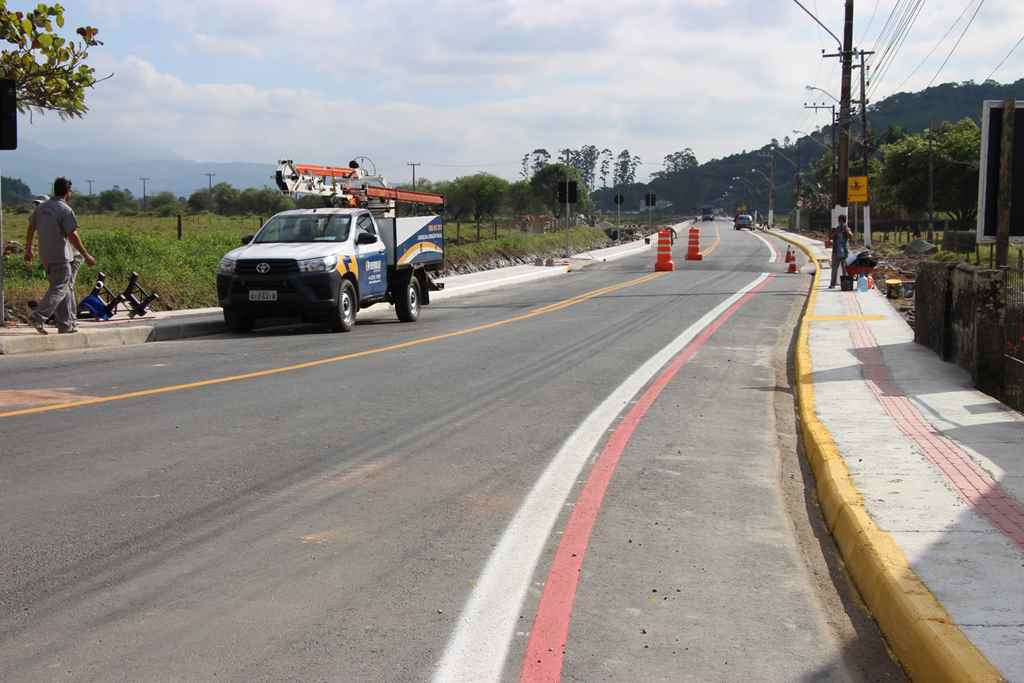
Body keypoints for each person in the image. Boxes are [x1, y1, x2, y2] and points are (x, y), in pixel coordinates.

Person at [24, 177, 96, 334]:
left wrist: (28, 249)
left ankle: (65, 324)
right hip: (61, 256)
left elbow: (31, 228)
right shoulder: (65, 209)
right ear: (68, 192)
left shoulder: (41, 208)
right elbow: (72, 236)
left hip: (46, 256)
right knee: (60, 287)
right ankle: (39, 315)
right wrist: (86, 255)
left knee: (65, 288)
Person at [828, 214, 853, 289]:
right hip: (836, 252)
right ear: (839, 222)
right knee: (834, 269)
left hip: (844, 253)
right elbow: (830, 237)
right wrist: (835, 232)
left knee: (845, 269)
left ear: (845, 222)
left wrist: (846, 230)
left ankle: (845, 284)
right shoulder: (835, 229)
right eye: (840, 222)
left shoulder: (847, 229)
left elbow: (851, 236)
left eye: (843, 222)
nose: (841, 223)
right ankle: (832, 284)